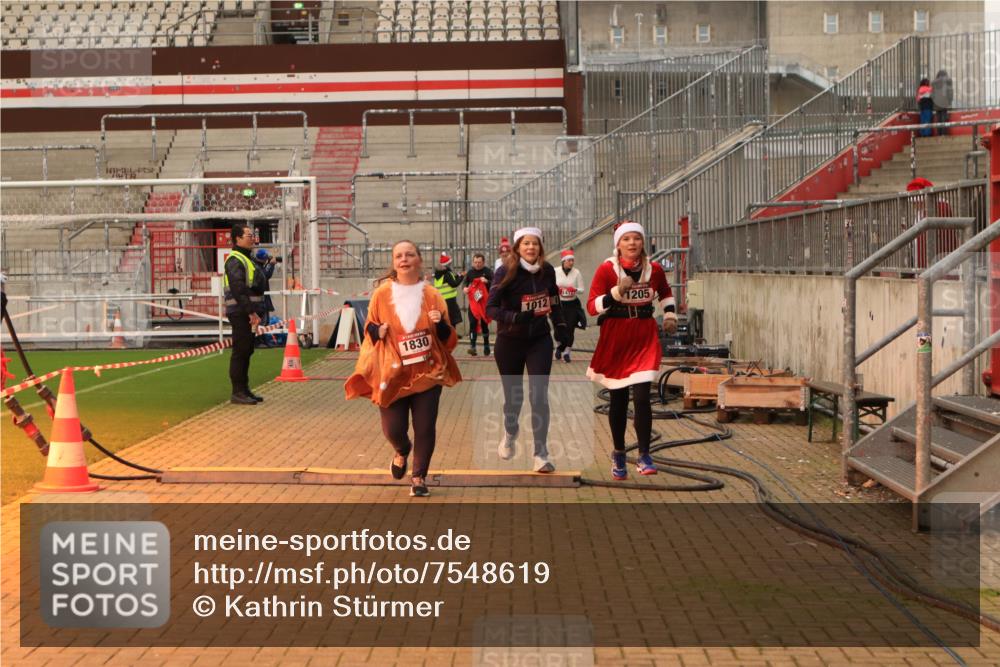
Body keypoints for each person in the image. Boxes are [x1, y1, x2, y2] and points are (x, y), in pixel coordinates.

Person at [345, 240, 462, 497]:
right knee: (393, 429)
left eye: (409, 254)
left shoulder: (433, 296)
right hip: (392, 374)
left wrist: (440, 325)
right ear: (394, 262)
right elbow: (369, 328)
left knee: (425, 427)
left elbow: (449, 340)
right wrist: (377, 330)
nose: (404, 259)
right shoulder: (382, 294)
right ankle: (401, 449)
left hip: (427, 372)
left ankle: (419, 477)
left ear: (419, 260)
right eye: (399, 256)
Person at [586, 221, 677, 480]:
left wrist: (670, 314)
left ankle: (645, 454)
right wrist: (616, 292)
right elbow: (592, 307)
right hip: (617, 337)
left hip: (644, 335)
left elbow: (665, 292)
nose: (632, 243)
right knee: (618, 399)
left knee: (642, 398)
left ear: (643, 242)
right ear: (618, 244)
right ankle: (618, 452)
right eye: (626, 239)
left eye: (636, 238)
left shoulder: (654, 269)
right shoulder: (606, 270)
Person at [486, 226, 570, 473]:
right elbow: (490, 308)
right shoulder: (505, 271)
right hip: (509, 341)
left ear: (540, 247)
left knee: (539, 396)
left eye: (535, 243)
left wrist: (561, 327)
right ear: (517, 247)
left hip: (539, 340)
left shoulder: (547, 271)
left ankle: (540, 454)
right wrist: (514, 317)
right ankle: (510, 432)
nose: (531, 247)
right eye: (526, 243)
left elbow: (553, 300)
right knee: (514, 399)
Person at [224, 222, 267, 405]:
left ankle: (244, 389)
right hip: (241, 312)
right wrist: (250, 312)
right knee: (241, 351)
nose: (253, 239)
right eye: (249, 236)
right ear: (238, 239)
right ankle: (238, 391)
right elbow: (238, 288)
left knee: (247, 350)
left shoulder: (247, 259)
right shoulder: (235, 260)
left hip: (247, 312)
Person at [554, 248, 586, 363]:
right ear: (563, 261)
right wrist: (557, 290)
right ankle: (559, 346)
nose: (571, 263)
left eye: (573, 260)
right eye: (569, 260)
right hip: (559, 304)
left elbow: (582, 289)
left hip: (572, 304)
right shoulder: (555, 271)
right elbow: (550, 286)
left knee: (570, 329)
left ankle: (567, 352)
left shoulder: (576, 272)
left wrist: (575, 290)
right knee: (558, 328)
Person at [462, 252, 493, 356]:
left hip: (484, 304)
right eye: (475, 262)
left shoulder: (488, 272)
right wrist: (464, 288)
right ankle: (473, 346)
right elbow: (465, 283)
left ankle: (486, 345)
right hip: (474, 304)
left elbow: (495, 284)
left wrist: (487, 282)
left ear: (483, 262)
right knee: (472, 324)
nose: (477, 264)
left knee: (484, 325)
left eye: (479, 262)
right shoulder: (470, 272)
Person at [433, 252, 464, 332]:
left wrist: (457, 276)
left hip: (441, 300)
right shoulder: (447, 274)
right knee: (452, 320)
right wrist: (461, 277)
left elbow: (449, 281)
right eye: (449, 263)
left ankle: (446, 335)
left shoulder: (438, 275)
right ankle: (452, 335)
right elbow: (454, 284)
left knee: (445, 320)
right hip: (450, 301)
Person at [931, 70, 953, 135]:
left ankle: (939, 133)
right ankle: (943, 133)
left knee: (938, 119)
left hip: (936, 103)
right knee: (944, 118)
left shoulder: (933, 83)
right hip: (944, 102)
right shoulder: (947, 81)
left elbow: (932, 94)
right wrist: (950, 101)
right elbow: (950, 92)